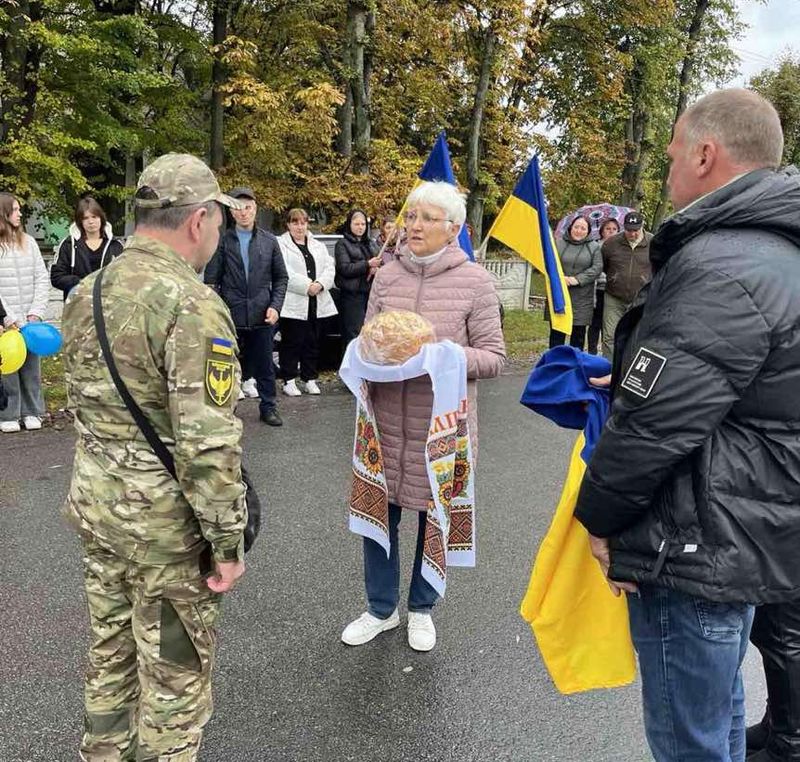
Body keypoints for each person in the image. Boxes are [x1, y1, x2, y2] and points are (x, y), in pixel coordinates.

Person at [574, 88, 800, 762]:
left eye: (673, 155)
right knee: (720, 710)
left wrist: (600, 518)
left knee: (689, 741)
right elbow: (746, 381)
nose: (667, 171)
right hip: (746, 524)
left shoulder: (721, 263)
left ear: (705, 153)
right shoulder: (775, 252)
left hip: (695, 536)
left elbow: (653, 427)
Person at [61, 153, 248, 761]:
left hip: (99, 514)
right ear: (198, 220)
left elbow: (86, 411)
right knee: (173, 677)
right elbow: (207, 443)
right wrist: (227, 545)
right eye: (218, 223)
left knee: (110, 657)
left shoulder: (86, 293)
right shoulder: (191, 304)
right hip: (165, 536)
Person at [340, 181, 505, 652]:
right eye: (410, 216)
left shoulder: (475, 282)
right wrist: (367, 350)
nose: (413, 225)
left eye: (427, 218)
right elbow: (369, 336)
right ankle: (380, 608)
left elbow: (494, 358)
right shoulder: (387, 276)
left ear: (453, 229)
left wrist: (446, 355)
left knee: (435, 518)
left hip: (441, 430)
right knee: (379, 517)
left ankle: (421, 608)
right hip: (386, 423)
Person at [204, 186, 288, 426]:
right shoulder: (221, 241)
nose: (243, 212)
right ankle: (225, 411)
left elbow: (281, 278)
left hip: (263, 314)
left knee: (265, 366)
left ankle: (269, 407)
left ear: (255, 209)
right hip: (231, 316)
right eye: (238, 208)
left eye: (248, 207)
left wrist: (275, 306)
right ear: (231, 212)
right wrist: (220, 310)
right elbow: (212, 280)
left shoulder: (269, 241)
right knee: (224, 367)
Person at [0, 192, 49, 434]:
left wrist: (35, 312)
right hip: (7, 323)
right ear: (4, 213)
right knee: (7, 368)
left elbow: (41, 278)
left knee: (32, 367)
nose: (20, 214)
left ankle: (32, 411)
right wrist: (7, 318)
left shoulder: (29, 242)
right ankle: (9, 414)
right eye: (16, 210)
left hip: (30, 319)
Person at [276, 208, 336, 396]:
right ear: (288, 224)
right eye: (295, 222)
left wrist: (319, 284)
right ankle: (289, 380)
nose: (299, 227)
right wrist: (307, 286)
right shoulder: (280, 244)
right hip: (294, 302)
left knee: (312, 342)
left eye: (303, 222)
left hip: (317, 301)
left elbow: (329, 268)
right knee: (292, 343)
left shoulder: (318, 245)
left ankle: (310, 378)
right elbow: (283, 271)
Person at [600, 210, 653, 360]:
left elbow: (659, 267)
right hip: (614, 297)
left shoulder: (653, 243)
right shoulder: (611, 243)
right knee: (609, 336)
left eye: (636, 230)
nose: (632, 234)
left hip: (641, 298)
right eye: (629, 230)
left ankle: (628, 370)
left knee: (636, 336)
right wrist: (615, 277)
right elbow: (604, 265)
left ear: (642, 227)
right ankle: (607, 368)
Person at [50, 197, 123, 300]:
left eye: (94, 217)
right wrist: (81, 283)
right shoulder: (68, 244)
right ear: (80, 221)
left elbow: (124, 277)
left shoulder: (116, 245)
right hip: (77, 306)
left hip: (107, 306)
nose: (91, 222)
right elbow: (56, 277)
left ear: (101, 218)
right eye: (85, 218)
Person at [547, 215, 602, 350]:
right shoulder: (558, 243)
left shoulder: (594, 247)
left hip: (582, 299)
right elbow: (549, 262)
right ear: (571, 227)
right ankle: (555, 365)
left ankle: (574, 366)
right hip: (559, 294)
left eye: (583, 228)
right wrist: (560, 278)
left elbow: (597, 268)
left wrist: (576, 279)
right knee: (557, 335)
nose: (579, 231)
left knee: (578, 336)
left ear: (588, 231)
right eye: (576, 227)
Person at [335, 208, 381, 349]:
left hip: (371, 293)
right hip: (352, 296)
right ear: (349, 224)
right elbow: (345, 268)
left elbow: (379, 263)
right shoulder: (342, 244)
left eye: (363, 224)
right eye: (357, 224)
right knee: (354, 334)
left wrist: (376, 269)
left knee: (371, 332)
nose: (360, 227)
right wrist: (367, 264)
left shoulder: (371, 243)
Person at [586, 217, 619, 355]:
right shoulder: (596, 247)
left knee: (611, 326)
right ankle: (592, 352)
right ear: (602, 231)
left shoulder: (620, 247)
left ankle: (609, 355)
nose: (611, 232)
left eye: (614, 229)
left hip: (614, 290)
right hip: (598, 289)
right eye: (608, 229)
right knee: (595, 324)